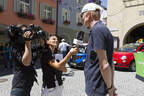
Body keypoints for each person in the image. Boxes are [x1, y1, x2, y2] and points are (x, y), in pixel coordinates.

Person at [80, 3, 117, 96]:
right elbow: (110, 62)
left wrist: (110, 88)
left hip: (95, 88)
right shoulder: (103, 29)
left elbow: (104, 65)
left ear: (88, 15)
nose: (81, 20)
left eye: (82, 16)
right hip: (98, 87)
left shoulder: (97, 30)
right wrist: (111, 85)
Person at [10, 25, 37, 96]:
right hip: (19, 87)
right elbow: (26, 63)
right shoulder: (15, 46)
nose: (27, 33)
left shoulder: (28, 46)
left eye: (27, 31)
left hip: (27, 86)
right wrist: (27, 42)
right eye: (24, 31)